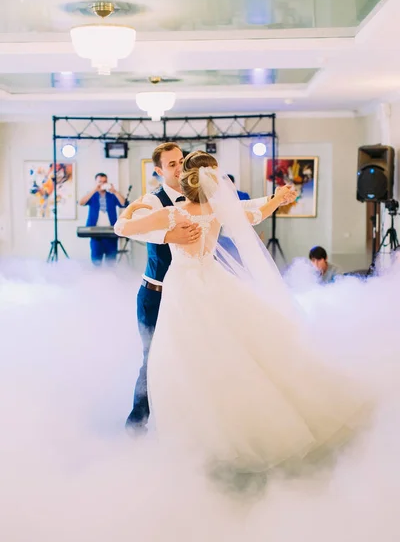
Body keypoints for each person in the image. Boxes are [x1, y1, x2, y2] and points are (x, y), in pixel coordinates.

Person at [115, 151, 369, 475]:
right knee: (231, 354)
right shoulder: (219, 211)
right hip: (213, 281)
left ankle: (201, 439)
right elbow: (256, 214)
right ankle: (237, 427)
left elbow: (123, 227)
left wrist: (135, 207)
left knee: (185, 361)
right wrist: (276, 199)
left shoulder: (172, 213)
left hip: (183, 288)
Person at [117, 142, 287, 432]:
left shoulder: (198, 206)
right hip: (158, 293)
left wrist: (272, 198)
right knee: (154, 359)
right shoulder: (156, 201)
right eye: (171, 164)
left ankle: (196, 424)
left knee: (195, 357)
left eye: (181, 161)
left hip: (192, 290)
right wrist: (170, 234)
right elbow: (134, 232)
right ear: (158, 170)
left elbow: (242, 209)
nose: (178, 167)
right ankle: (139, 424)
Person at [79, 173, 127, 266]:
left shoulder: (111, 196)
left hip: (111, 232)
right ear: (96, 182)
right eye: (100, 182)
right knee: (96, 261)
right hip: (95, 232)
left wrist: (115, 191)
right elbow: (81, 203)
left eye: (104, 182)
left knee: (111, 262)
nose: (102, 184)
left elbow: (123, 203)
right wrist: (94, 190)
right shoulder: (92, 195)